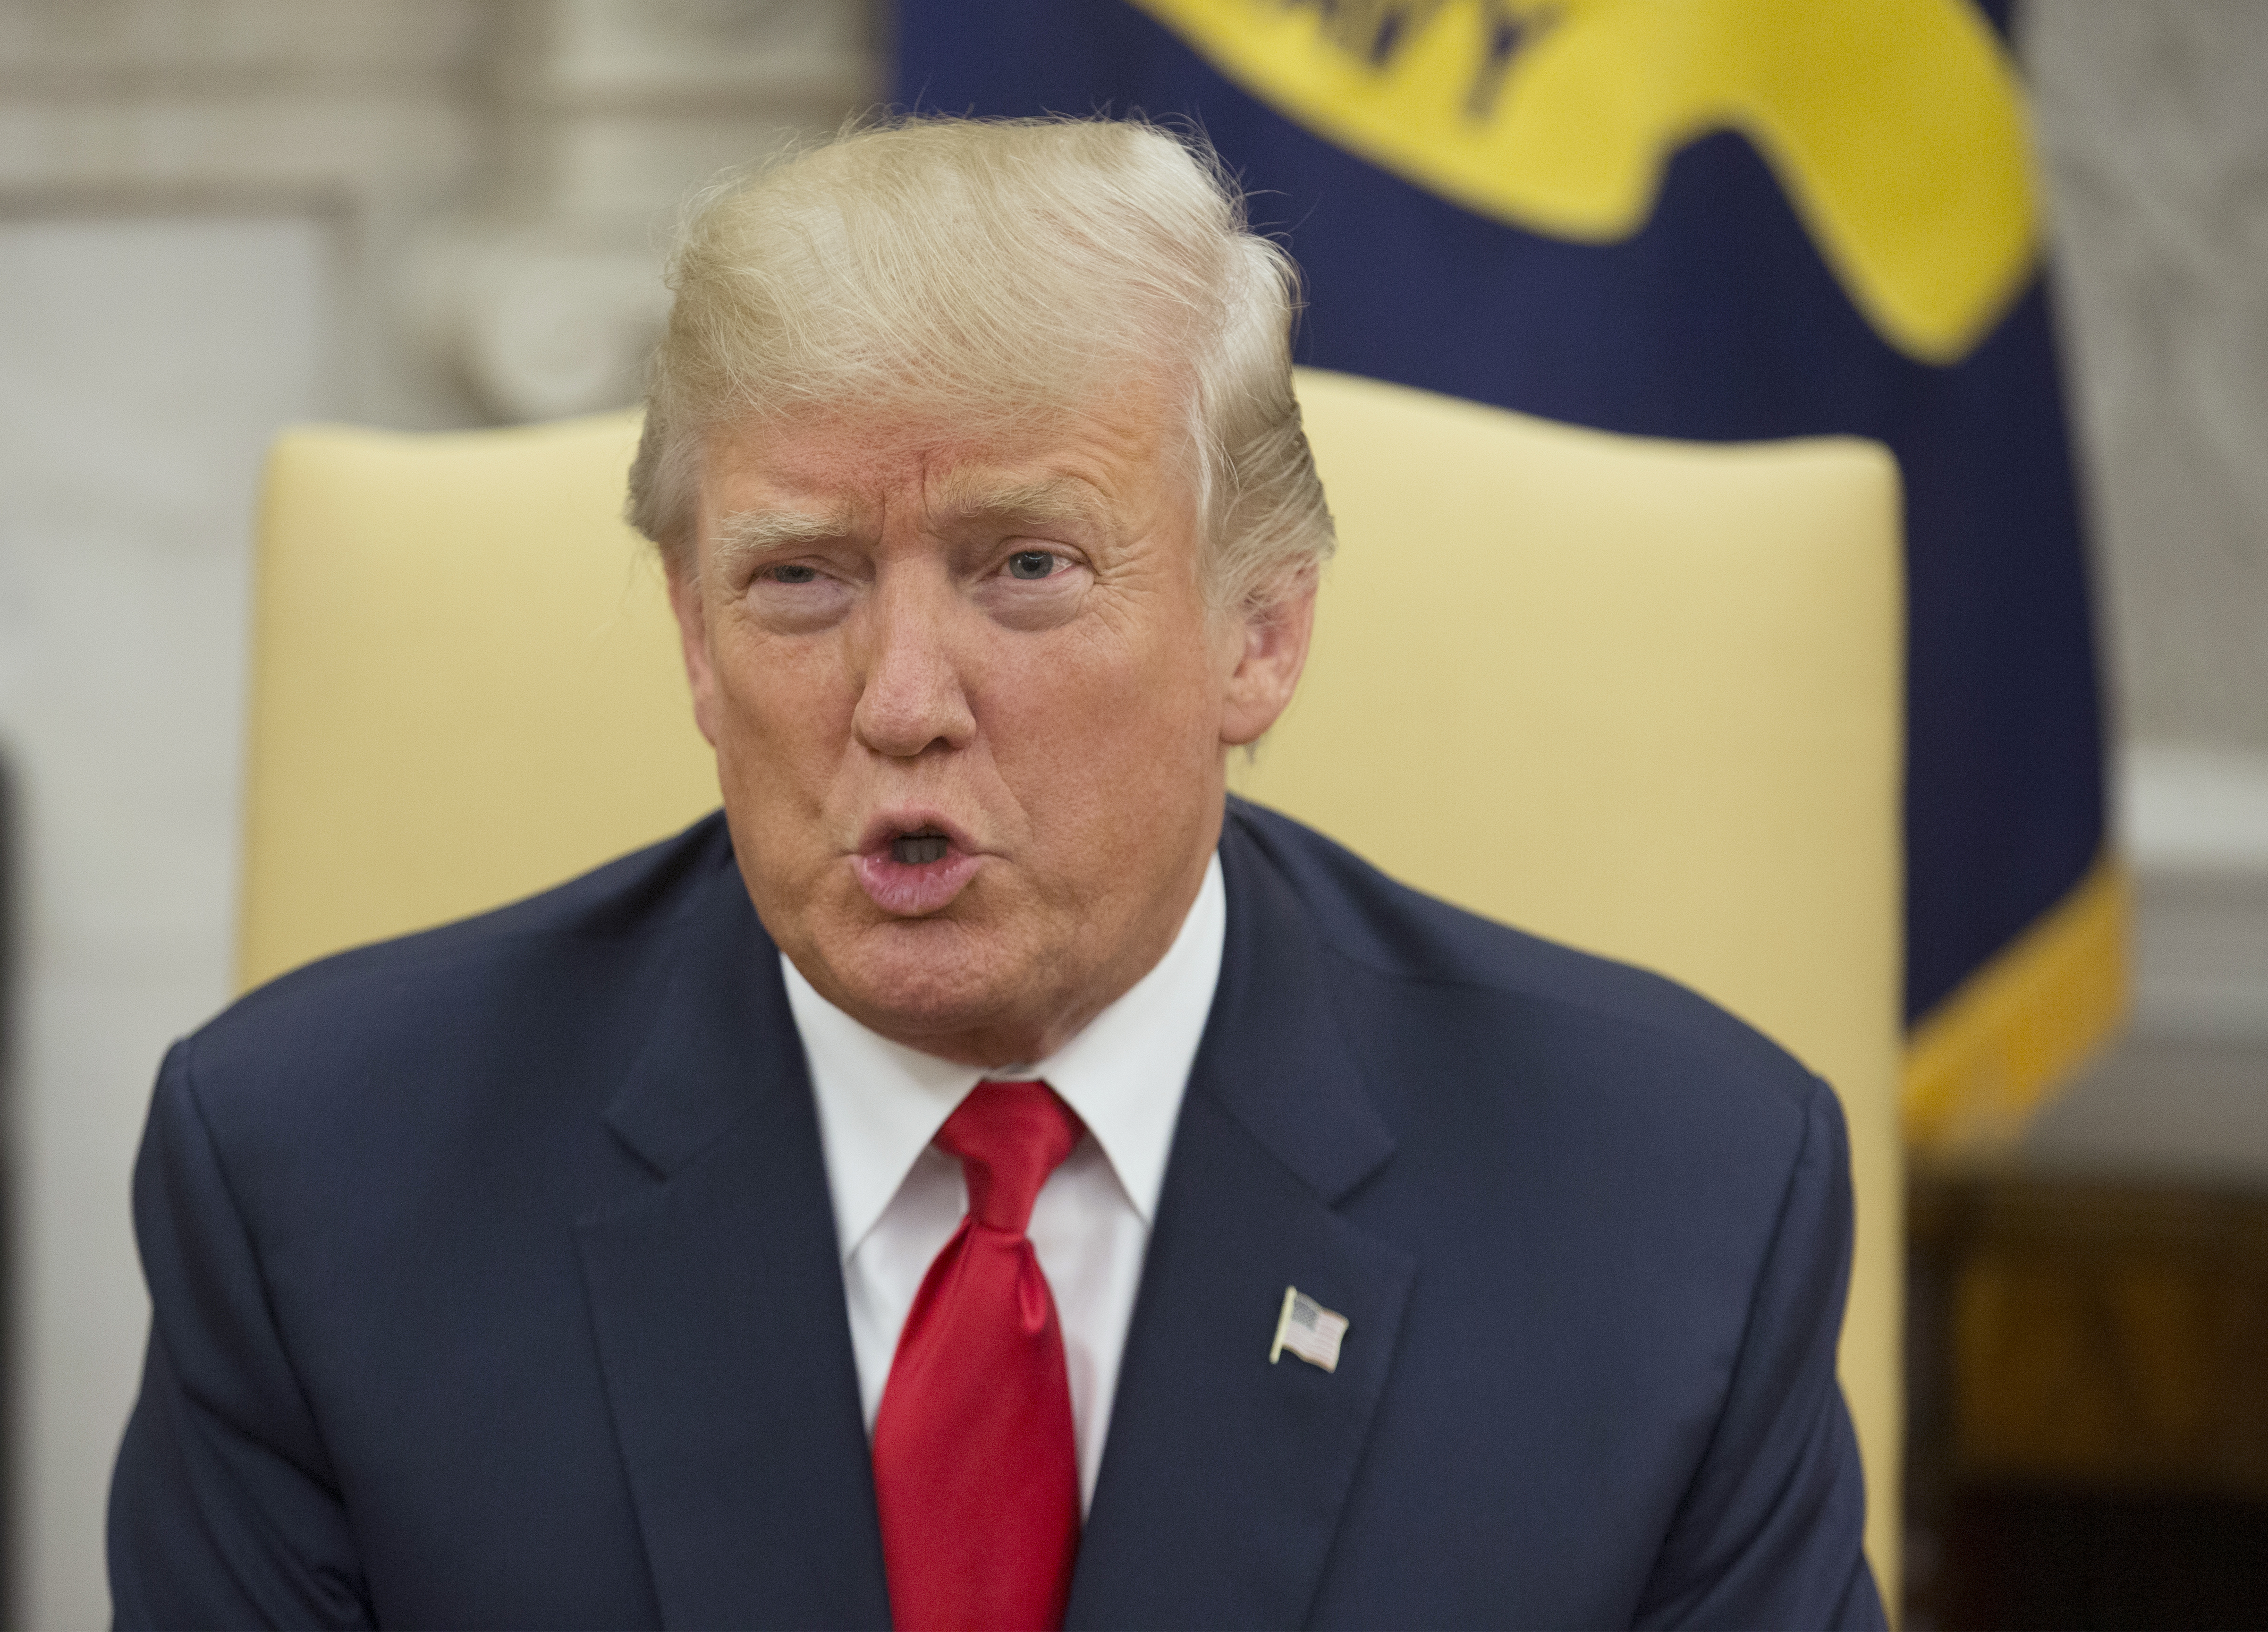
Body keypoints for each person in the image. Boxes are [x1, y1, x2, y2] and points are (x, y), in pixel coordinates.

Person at [108, 117, 1883, 1630]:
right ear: (695, 646)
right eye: (800, 578)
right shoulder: (315, 1191)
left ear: (1259, 632)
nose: (899, 704)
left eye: (1026, 566)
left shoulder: (1675, 1215)